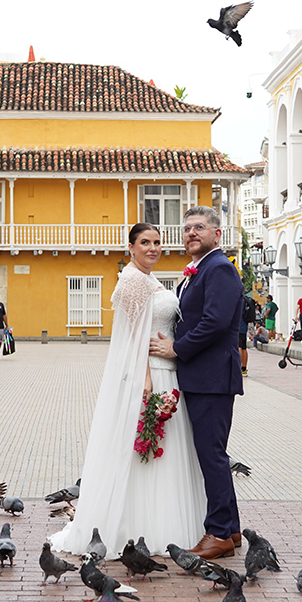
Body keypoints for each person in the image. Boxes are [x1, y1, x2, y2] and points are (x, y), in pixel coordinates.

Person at [49, 223, 205, 558]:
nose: (153, 248)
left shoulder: (150, 279)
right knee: (145, 449)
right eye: (145, 243)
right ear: (131, 247)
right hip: (150, 375)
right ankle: (136, 526)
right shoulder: (133, 280)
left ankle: (165, 521)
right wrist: (145, 380)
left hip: (169, 370)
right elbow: (133, 336)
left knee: (167, 450)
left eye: (158, 242)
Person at [150, 206, 243, 560]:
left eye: (199, 228)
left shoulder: (219, 268)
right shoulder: (198, 270)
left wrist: (177, 348)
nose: (191, 233)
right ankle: (231, 529)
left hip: (212, 377)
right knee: (212, 455)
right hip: (201, 376)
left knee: (212, 456)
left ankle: (218, 533)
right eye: (187, 228)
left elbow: (215, 322)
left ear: (216, 234)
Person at [240, 294, 258, 376]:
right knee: (243, 347)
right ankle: (244, 368)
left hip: (238, 326)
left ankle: (238, 367)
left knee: (239, 347)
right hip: (244, 327)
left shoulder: (239, 300)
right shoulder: (245, 299)